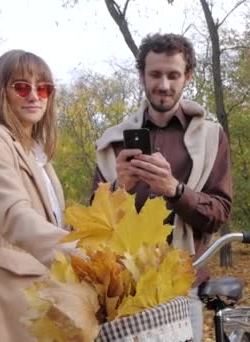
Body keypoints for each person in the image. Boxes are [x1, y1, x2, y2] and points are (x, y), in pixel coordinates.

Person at [91, 33, 233, 342]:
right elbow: (92, 221)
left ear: (188, 76)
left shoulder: (211, 137)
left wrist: (175, 190)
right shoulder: (113, 142)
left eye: (173, 75)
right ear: (142, 75)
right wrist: (120, 188)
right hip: (122, 289)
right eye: (155, 74)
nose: (164, 85)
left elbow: (220, 212)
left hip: (184, 284)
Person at [0, 50, 73, 341]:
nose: (34, 95)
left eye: (43, 88)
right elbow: (15, 215)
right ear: (1, 92)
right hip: (4, 307)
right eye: (22, 86)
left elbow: (56, 224)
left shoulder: (39, 155)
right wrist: (77, 253)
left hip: (41, 304)